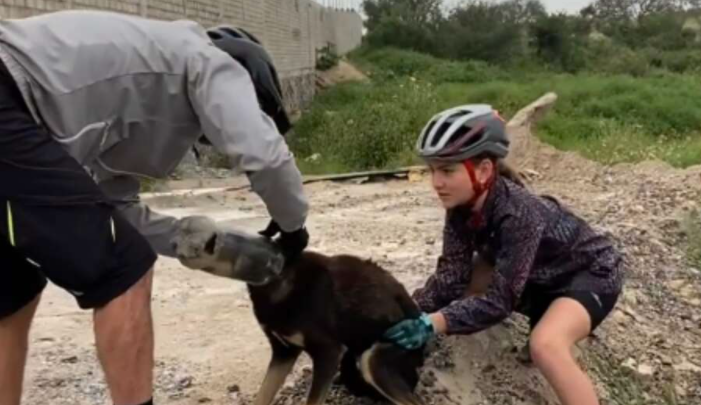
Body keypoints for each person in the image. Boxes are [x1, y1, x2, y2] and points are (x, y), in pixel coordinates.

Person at [0, 10, 309, 405]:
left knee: (13, 291)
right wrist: (293, 224)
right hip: (7, 94)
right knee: (124, 270)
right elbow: (265, 156)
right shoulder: (207, 60)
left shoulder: (138, 79)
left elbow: (114, 207)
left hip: (14, 107)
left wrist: (182, 237)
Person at [384, 104, 623, 405]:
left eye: (447, 170)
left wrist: (432, 323)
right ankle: (548, 321)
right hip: (537, 272)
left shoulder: (519, 212)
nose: (436, 183)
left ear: (484, 170)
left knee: (545, 345)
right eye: (432, 170)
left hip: (589, 274)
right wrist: (405, 314)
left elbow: (500, 302)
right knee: (465, 283)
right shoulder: (459, 207)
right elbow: (450, 279)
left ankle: (560, 337)